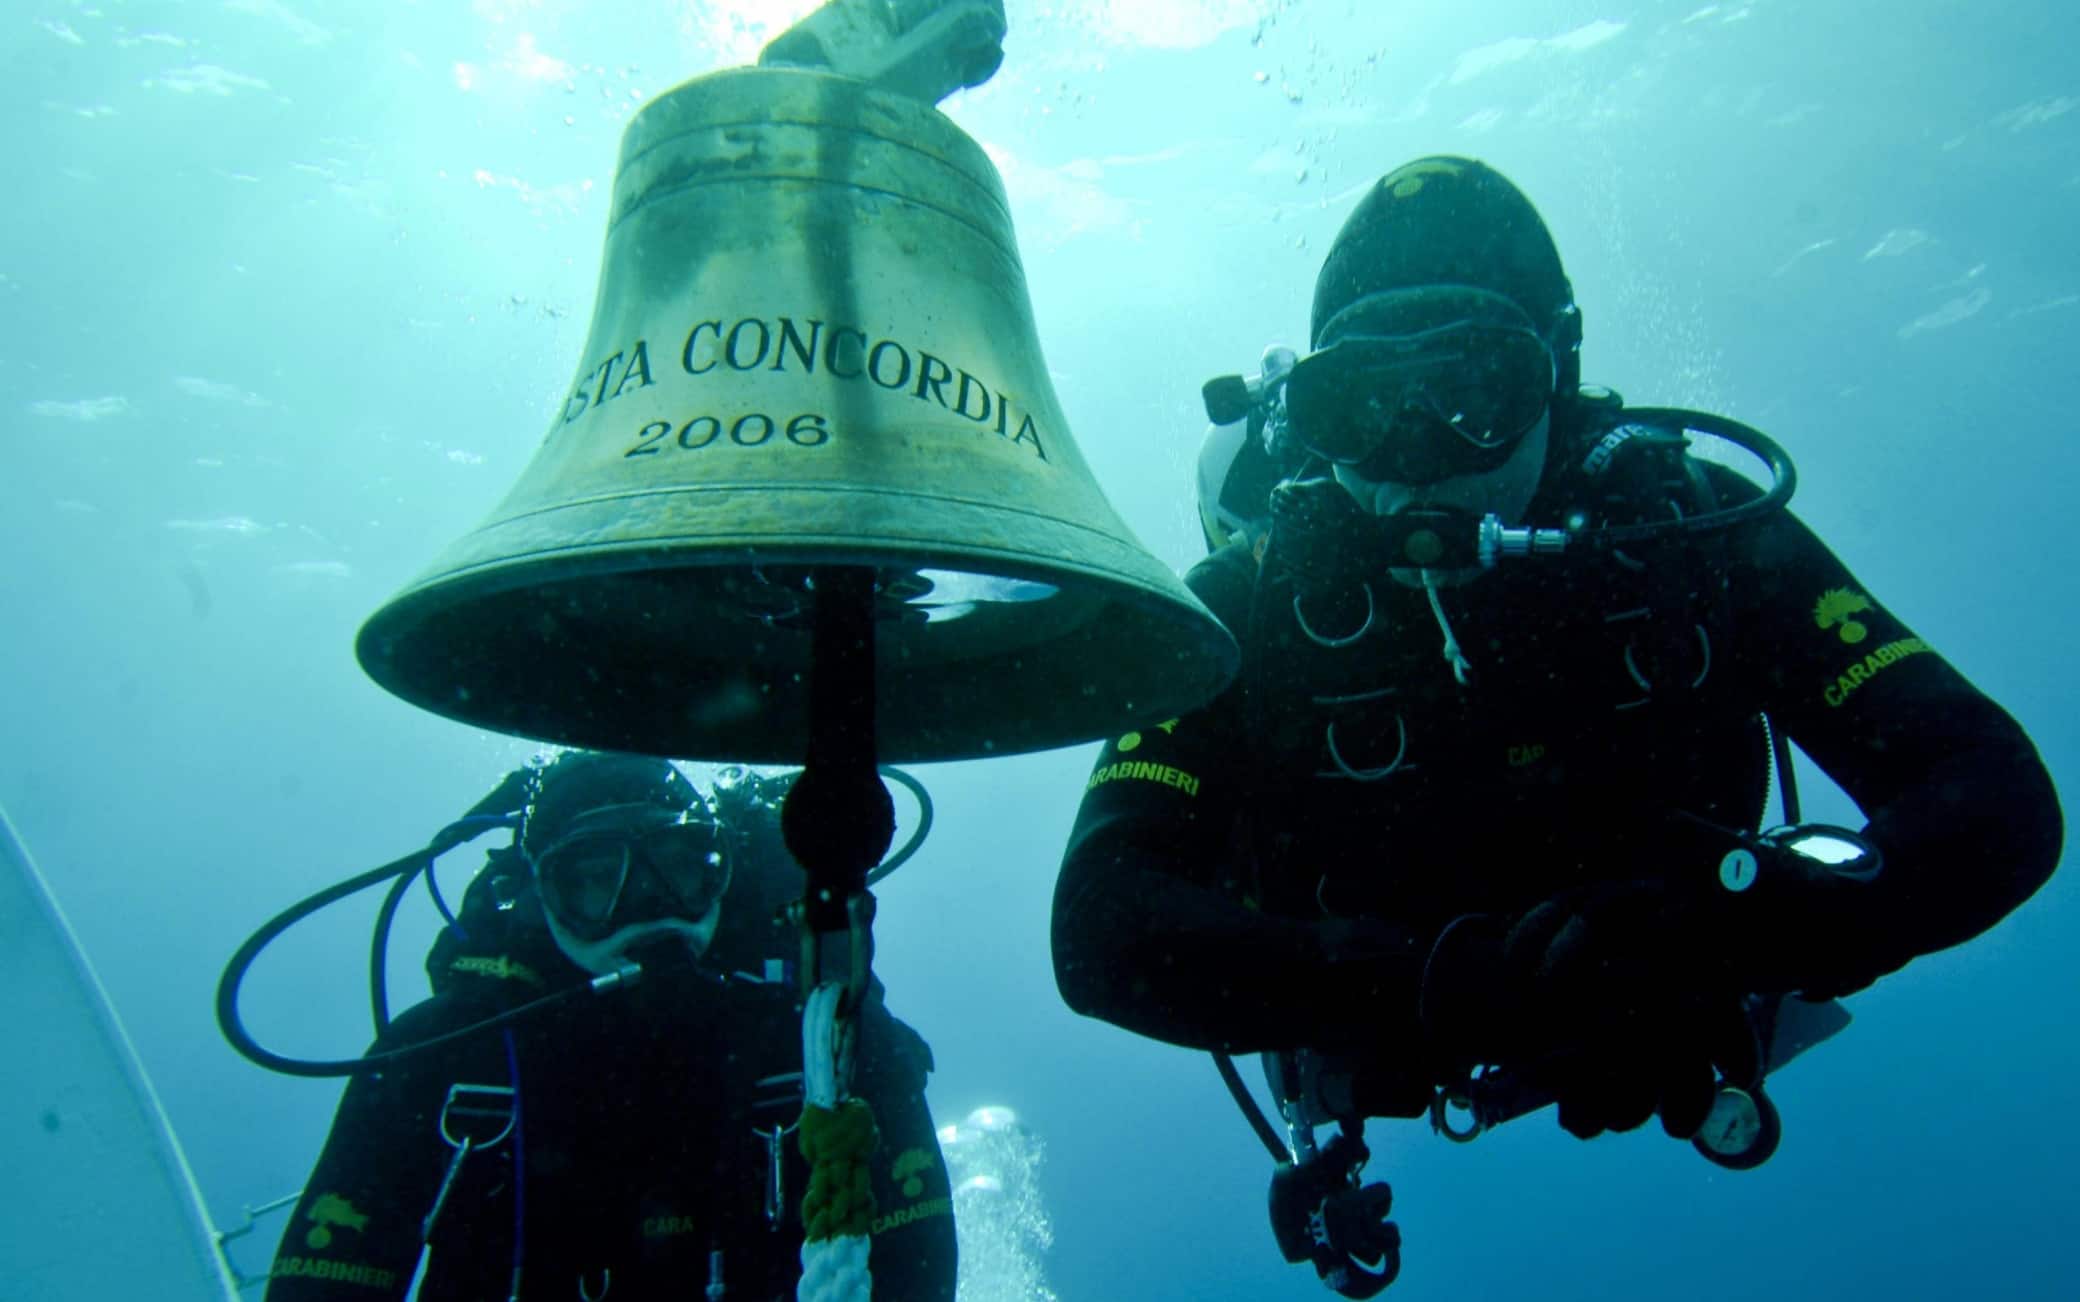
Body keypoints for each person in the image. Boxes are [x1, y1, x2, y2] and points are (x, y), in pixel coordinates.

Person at [1052, 155, 2061, 1272]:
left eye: (1475, 390)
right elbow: (1102, 927)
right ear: (1309, 418)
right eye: (1360, 405)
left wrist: (1741, 923)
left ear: (1557, 378)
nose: (1416, 459)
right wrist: (1417, 982)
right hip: (1389, 1015)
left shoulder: (1697, 538)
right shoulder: (1248, 608)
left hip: (1687, 974)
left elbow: (1994, 794)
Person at [264, 751, 955, 1301]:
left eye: (682, 867)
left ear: (724, 872)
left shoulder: (830, 1044)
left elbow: (917, 1281)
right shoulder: (438, 1061)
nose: (651, 904)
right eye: (597, 879)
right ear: (541, 896)